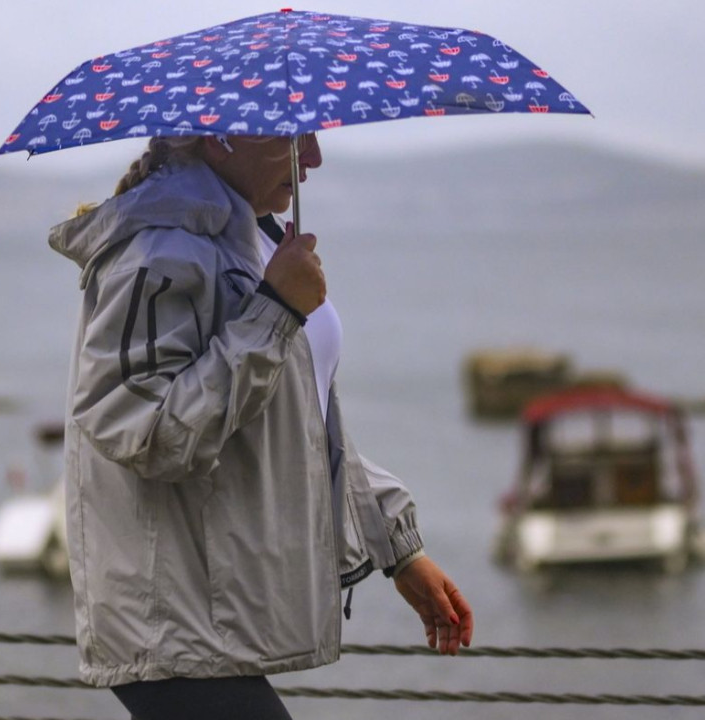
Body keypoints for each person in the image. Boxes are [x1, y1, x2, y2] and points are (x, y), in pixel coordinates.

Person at [48, 132, 474, 719]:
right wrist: (277, 307)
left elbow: (296, 429)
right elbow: (151, 434)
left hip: (217, 618)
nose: (314, 158)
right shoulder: (155, 248)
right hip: (172, 628)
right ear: (222, 139)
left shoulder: (253, 242)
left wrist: (398, 547)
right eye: (295, 139)